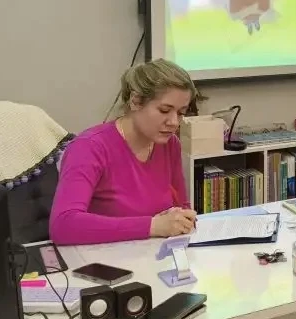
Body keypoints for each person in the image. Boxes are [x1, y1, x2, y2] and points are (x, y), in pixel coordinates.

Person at [50, 59, 199, 245]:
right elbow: (63, 225)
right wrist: (153, 226)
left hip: (153, 253)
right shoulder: (89, 147)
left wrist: (183, 220)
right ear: (136, 101)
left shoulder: (170, 144)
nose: (174, 122)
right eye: (164, 110)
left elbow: (181, 207)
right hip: (103, 258)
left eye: (181, 113)